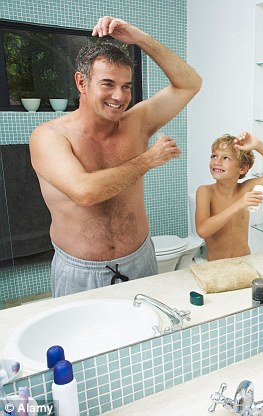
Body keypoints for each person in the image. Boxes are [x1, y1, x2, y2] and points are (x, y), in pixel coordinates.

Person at [29, 16, 202, 297]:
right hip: (80, 273)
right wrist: (148, 159)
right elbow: (84, 192)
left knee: (149, 337)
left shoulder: (137, 122)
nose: (119, 96)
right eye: (107, 84)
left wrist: (140, 38)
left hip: (141, 260)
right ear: (81, 82)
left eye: (126, 86)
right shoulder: (49, 136)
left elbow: (189, 84)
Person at [195, 131, 263, 261]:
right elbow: (202, 230)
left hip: (245, 262)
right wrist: (239, 204)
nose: (217, 161)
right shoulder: (205, 192)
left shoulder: (245, 189)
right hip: (217, 266)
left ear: (242, 169)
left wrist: (258, 145)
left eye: (225, 158)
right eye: (214, 156)